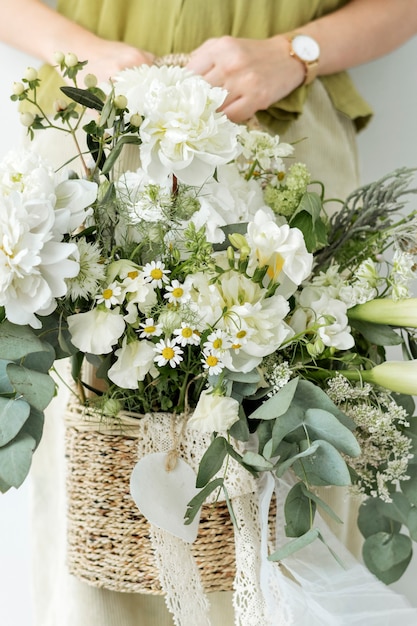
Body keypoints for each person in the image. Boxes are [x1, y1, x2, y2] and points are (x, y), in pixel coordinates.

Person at [1, 1, 417, 625]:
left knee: (291, 450)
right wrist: (75, 52)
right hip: (99, 136)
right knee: (96, 448)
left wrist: (296, 53)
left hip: (282, 132)